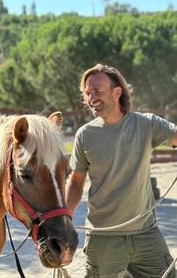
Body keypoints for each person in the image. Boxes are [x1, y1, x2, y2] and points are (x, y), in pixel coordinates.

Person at [66, 63, 177, 278]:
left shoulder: (146, 124)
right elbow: (76, 182)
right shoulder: (84, 135)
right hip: (103, 237)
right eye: (87, 93)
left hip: (146, 234)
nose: (91, 98)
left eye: (97, 91)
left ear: (117, 92)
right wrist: (64, 219)